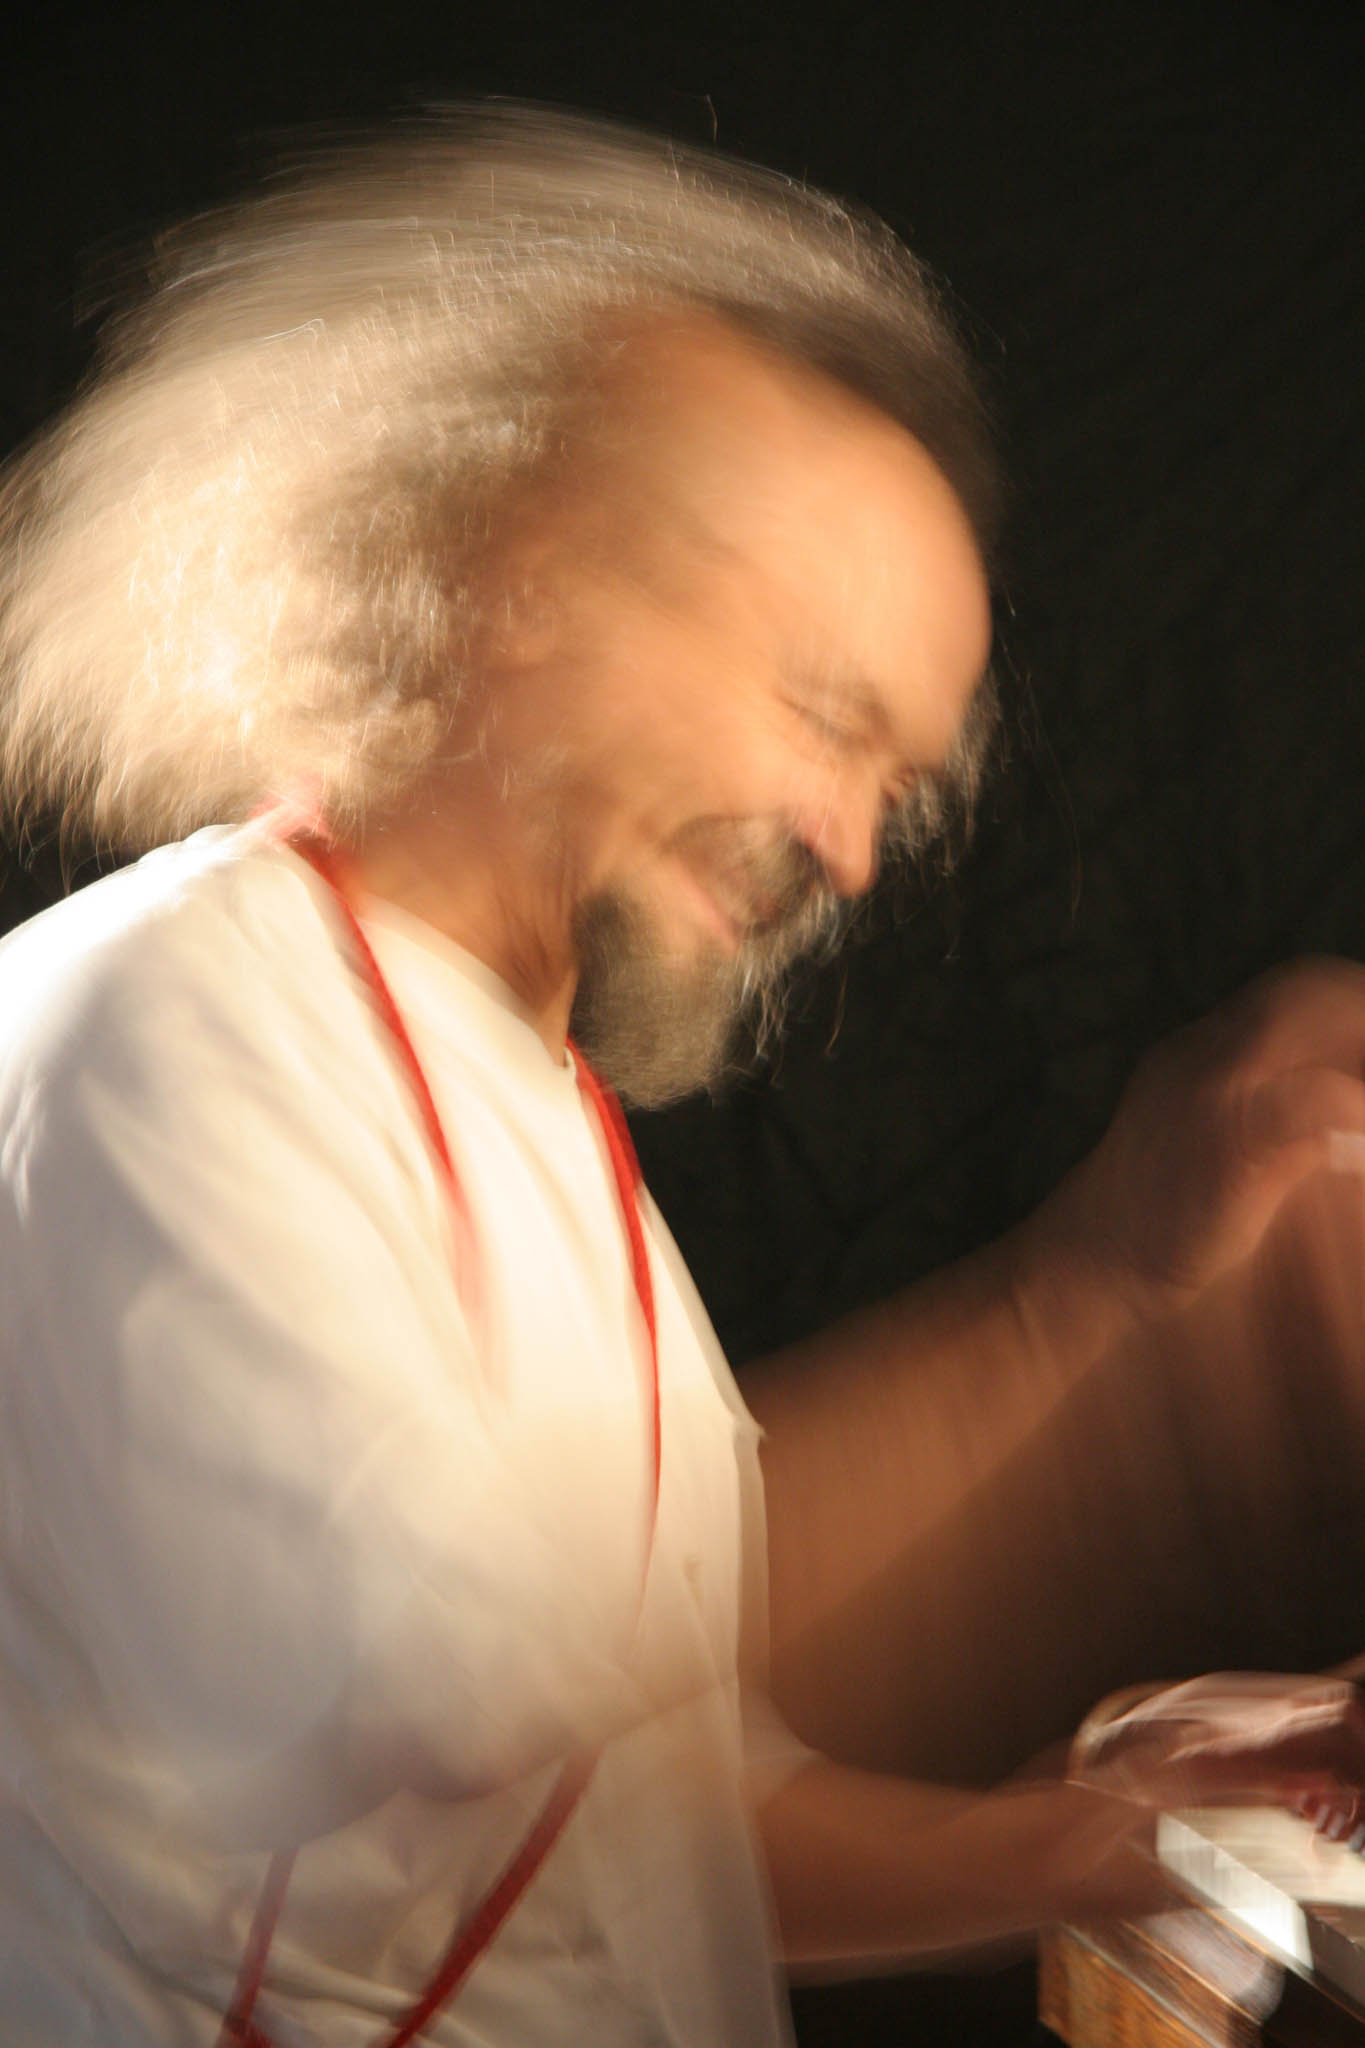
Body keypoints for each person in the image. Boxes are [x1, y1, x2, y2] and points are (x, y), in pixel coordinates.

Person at [2, 106, 1365, 2047]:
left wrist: (1104, 1833)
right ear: (530, 574)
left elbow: (651, 1827)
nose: (850, 849)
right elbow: (487, 1726)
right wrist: (1109, 1339)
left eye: (891, 777)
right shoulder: (161, 1035)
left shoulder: (537, 1114)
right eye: (818, 714)